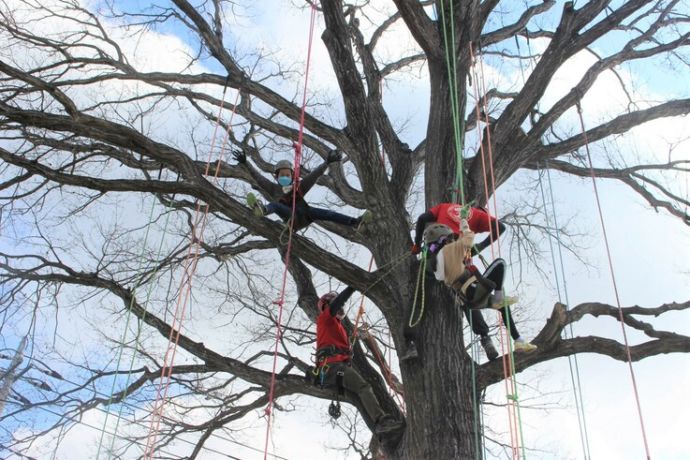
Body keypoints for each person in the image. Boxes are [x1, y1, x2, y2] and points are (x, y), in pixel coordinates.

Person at [404, 203, 536, 361]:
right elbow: (499, 228)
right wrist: (478, 244)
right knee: (474, 288)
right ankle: (486, 338)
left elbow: (422, 218)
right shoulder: (478, 216)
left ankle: (410, 343)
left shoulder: (444, 206)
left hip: (435, 256)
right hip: (453, 249)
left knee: (420, 297)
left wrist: (416, 245)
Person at [315, 287, 403, 436]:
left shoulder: (337, 327)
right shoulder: (325, 318)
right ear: (327, 305)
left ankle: (380, 428)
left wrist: (347, 351)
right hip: (332, 367)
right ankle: (381, 421)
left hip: (336, 367)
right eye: (337, 304)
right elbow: (338, 302)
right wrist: (352, 286)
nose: (341, 307)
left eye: (341, 306)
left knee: (360, 391)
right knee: (363, 387)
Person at [233, 146, 372, 230]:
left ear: (292, 176)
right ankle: (262, 210)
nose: (285, 177)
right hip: (290, 218)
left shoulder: (299, 187)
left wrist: (327, 162)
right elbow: (258, 177)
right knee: (275, 205)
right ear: (276, 177)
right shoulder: (273, 188)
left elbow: (314, 175)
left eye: (287, 175)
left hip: (304, 215)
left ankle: (355, 223)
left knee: (328, 214)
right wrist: (246, 163)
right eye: (282, 175)